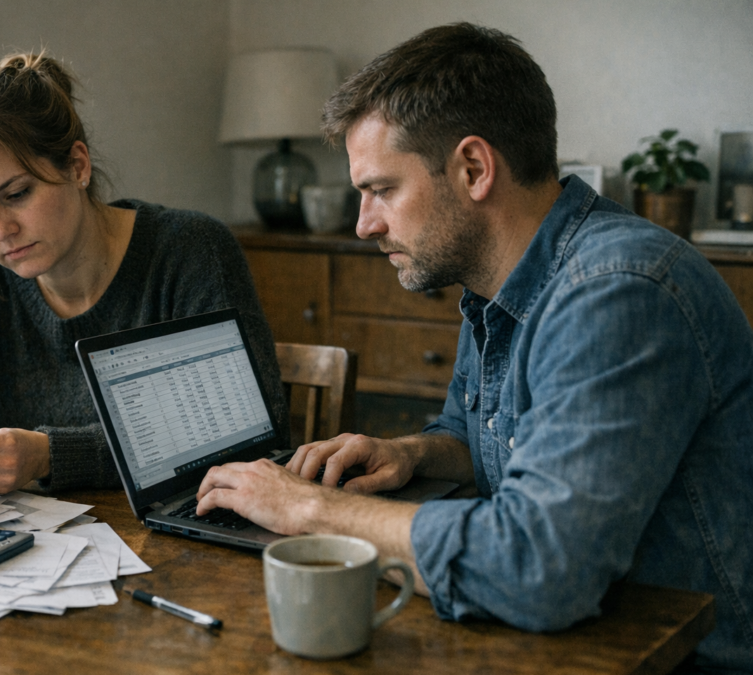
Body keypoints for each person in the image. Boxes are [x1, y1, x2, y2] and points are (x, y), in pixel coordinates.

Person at [195, 23, 753, 673]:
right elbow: (480, 433)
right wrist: (411, 452)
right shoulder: (500, 280)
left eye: (381, 189)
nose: (364, 224)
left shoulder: (617, 294)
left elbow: (538, 569)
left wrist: (309, 509)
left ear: (474, 169)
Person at [0, 51, 288, 495]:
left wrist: (51, 456)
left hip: (171, 538)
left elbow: (249, 433)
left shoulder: (189, 251)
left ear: (78, 166)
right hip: (31, 543)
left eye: (17, 194)